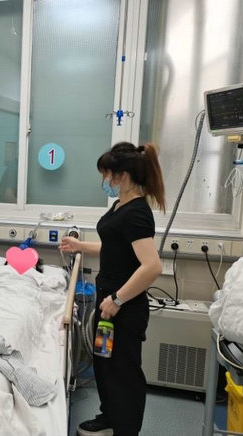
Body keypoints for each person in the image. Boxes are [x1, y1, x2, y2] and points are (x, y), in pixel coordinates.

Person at [60, 142, 165, 436]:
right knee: (105, 366)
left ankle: (126, 429)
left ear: (123, 175)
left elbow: (152, 266)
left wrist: (117, 300)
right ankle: (110, 416)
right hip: (109, 303)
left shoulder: (137, 213)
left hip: (124, 308)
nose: (105, 180)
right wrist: (81, 246)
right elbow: (114, 247)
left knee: (124, 372)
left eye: (107, 174)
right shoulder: (121, 205)